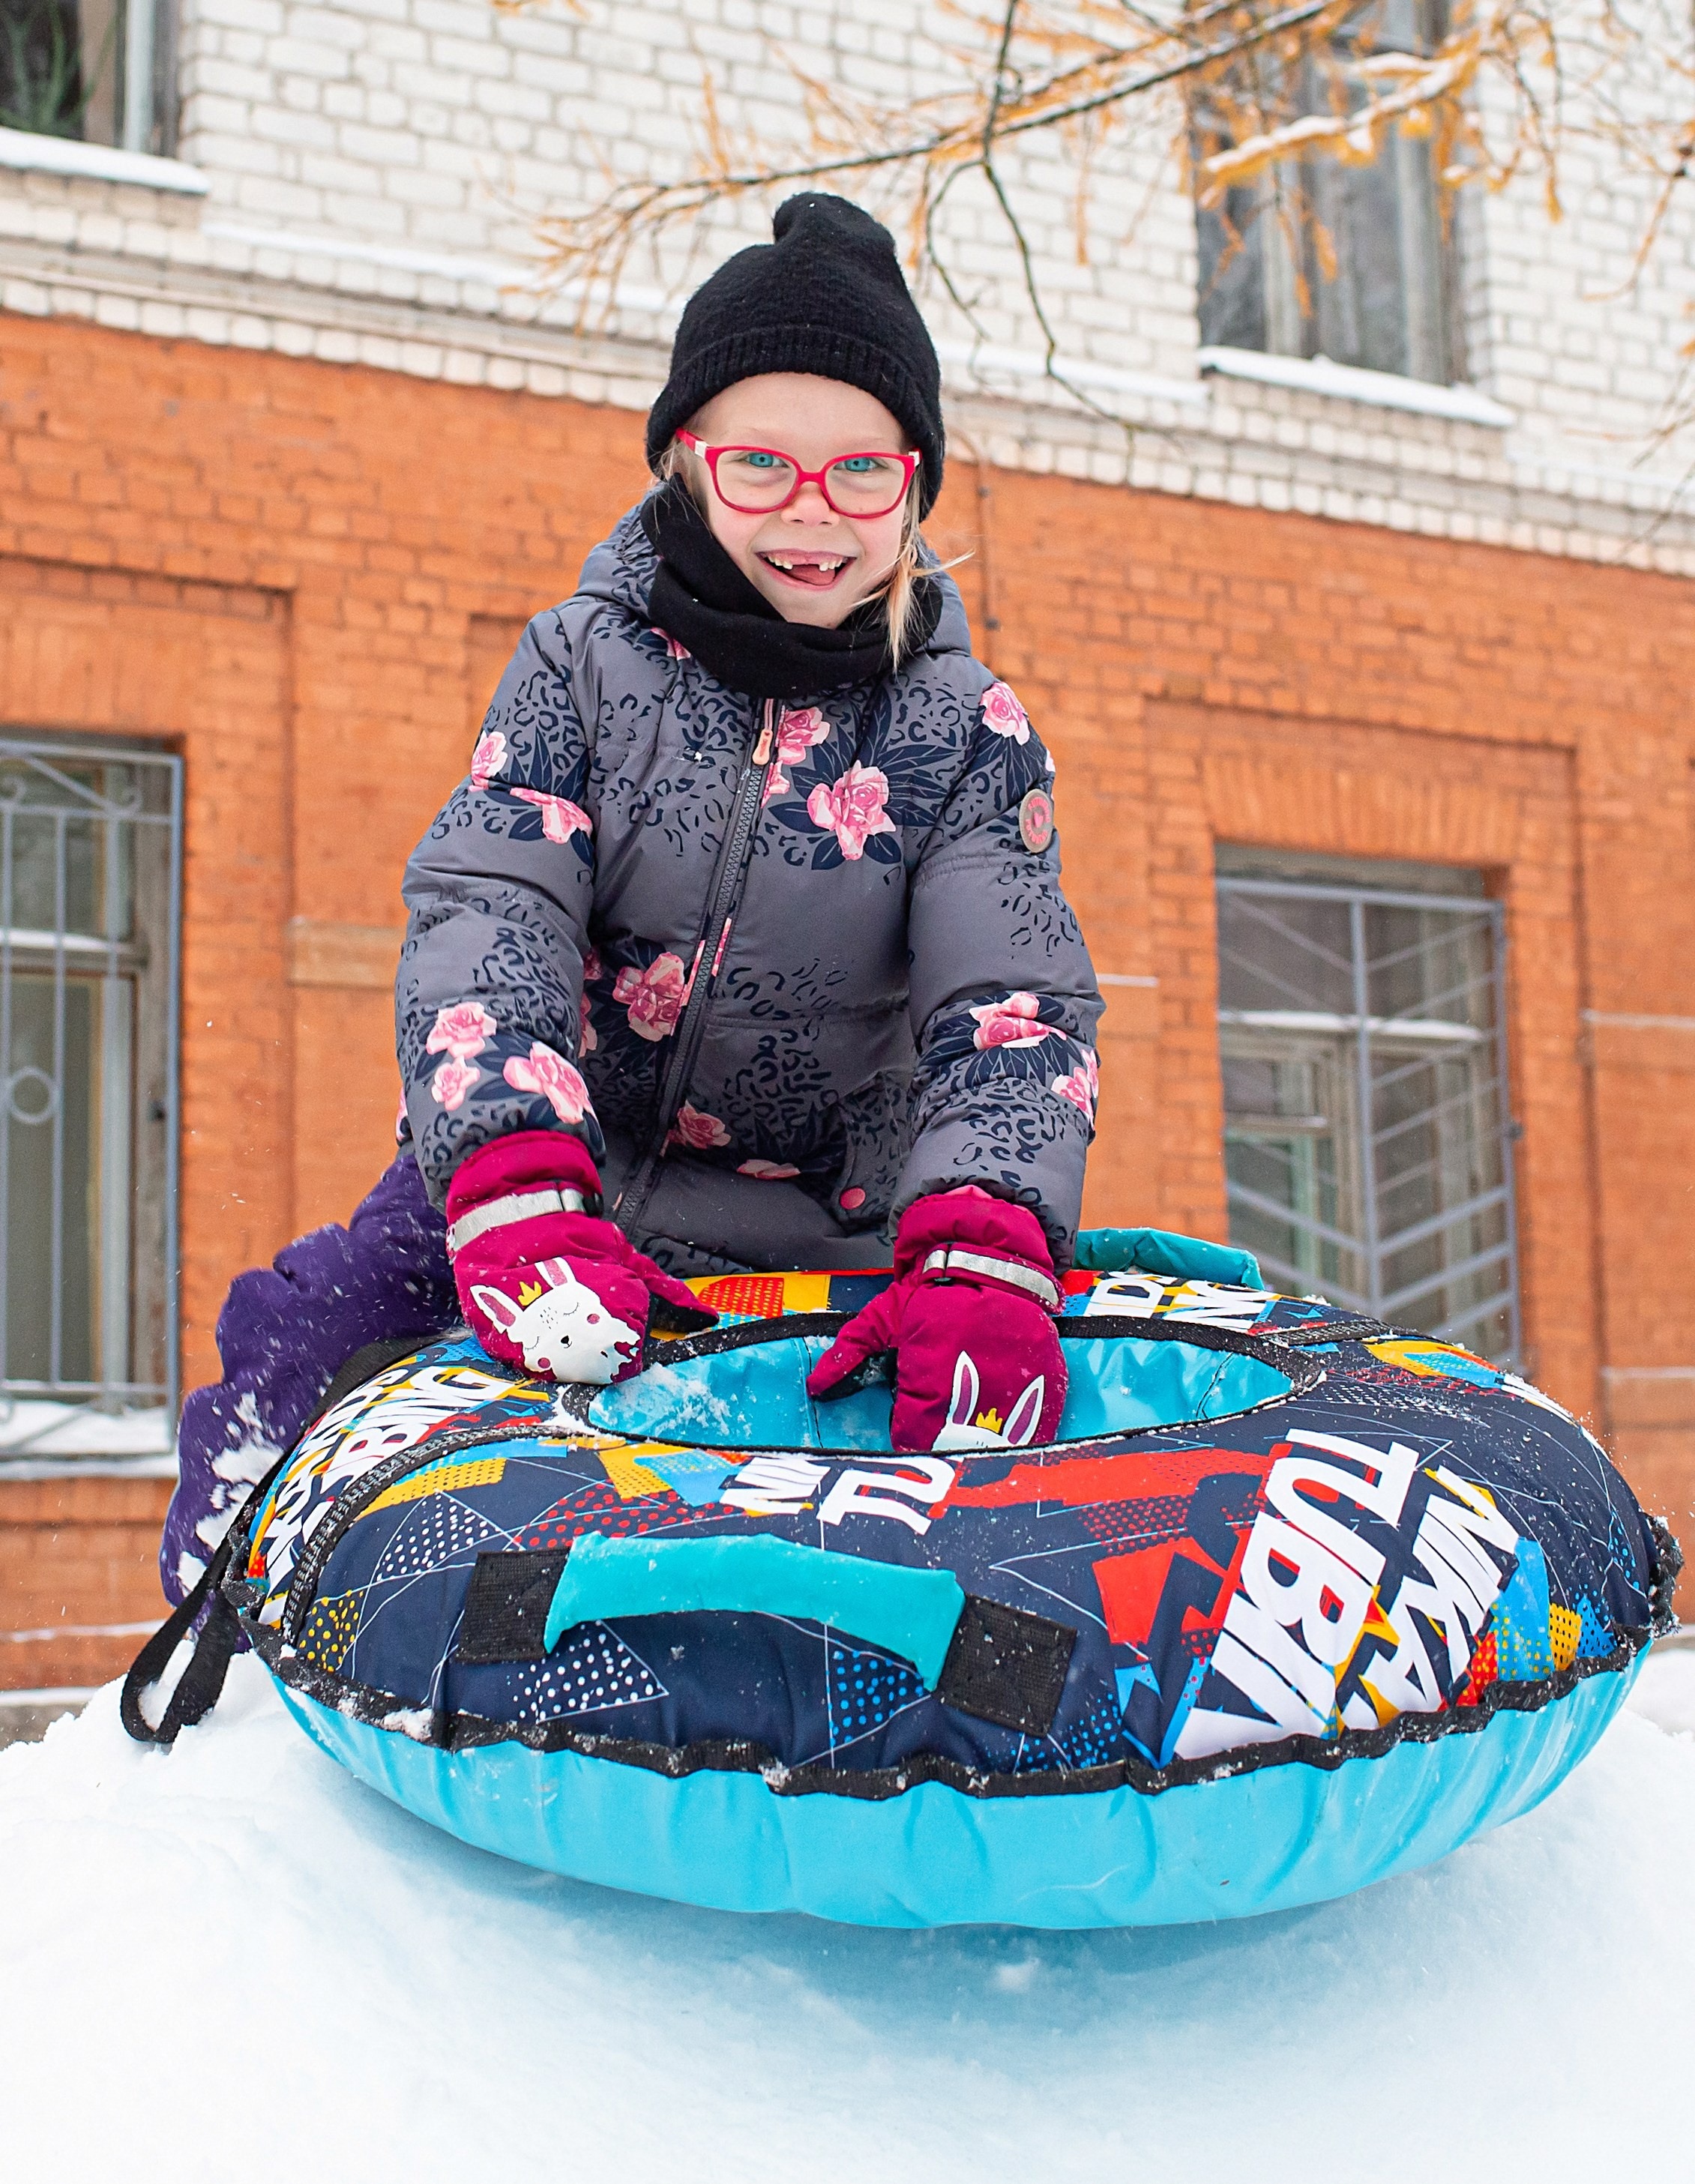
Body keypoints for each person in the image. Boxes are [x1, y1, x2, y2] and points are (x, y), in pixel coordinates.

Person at [159, 193, 1103, 1602]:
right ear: (685, 461)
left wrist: (980, 1236)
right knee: (318, 1329)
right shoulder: (580, 670)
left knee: (903, 1462)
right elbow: (495, 902)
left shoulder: (961, 731)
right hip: (546, 1181)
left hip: (829, 1229)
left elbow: (1010, 1001)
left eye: (861, 472)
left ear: (912, 486)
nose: (811, 512)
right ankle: (230, 1649)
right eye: (761, 465)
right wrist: (512, 1174)